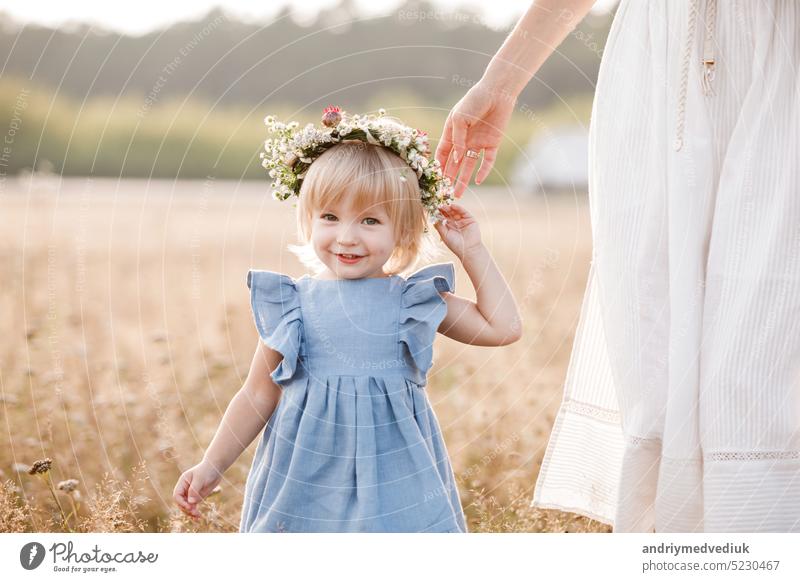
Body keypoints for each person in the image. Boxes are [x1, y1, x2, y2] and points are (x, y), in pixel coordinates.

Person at [437, 0, 800, 532]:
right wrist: (500, 84)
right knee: (655, 354)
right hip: (658, 68)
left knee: (762, 357)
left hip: (781, 55)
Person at [173, 107, 522, 532]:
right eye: (330, 217)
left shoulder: (413, 301)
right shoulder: (293, 305)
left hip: (397, 485)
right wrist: (212, 464)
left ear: (405, 232)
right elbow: (256, 395)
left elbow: (503, 328)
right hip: (304, 479)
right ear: (308, 219)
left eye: (370, 220)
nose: (347, 236)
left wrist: (471, 251)